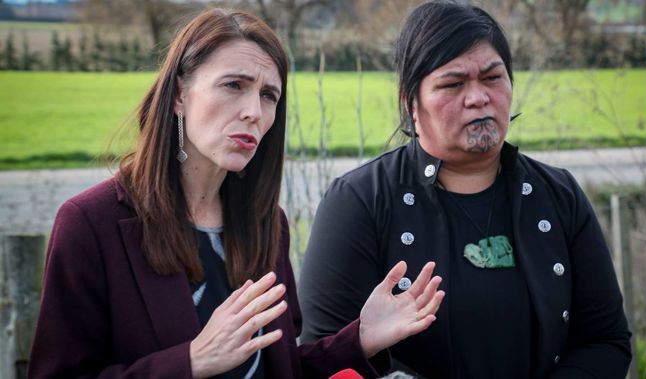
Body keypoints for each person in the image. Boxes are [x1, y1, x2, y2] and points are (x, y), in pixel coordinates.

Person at [27, 8, 445, 379]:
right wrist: (189, 362)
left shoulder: (268, 225)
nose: (254, 111)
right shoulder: (92, 224)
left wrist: (361, 338)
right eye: (233, 85)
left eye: (269, 95)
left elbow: (280, 368)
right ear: (178, 95)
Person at [298, 1, 632, 378]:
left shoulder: (558, 195)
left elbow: (606, 340)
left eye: (492, 78)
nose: (478, 97)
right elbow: (320, 353)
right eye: (453, 84)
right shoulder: (360, 200)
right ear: (411, 103)